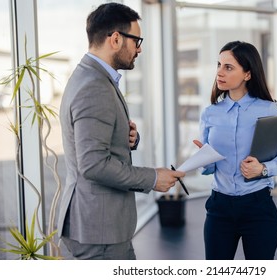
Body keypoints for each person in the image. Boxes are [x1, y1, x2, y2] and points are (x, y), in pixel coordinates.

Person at [57, 3, 185, 260]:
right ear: (115, 39)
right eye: (137, 40)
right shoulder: (94, 86)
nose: (139, 49)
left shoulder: (89, 76)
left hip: (97, 225)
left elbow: (92, 144)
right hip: (99, 232)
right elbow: (93, 165)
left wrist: (129, 138)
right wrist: (152, 178)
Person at [193, 41, 277, 260]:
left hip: (258, 208)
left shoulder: (270, 110)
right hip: (219, 209)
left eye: (228, 67)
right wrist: (204, 159)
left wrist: (263, 169)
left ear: (248, 74)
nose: (219, 73)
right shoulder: (210, 113)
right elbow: (208, 168)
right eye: (219, 65)